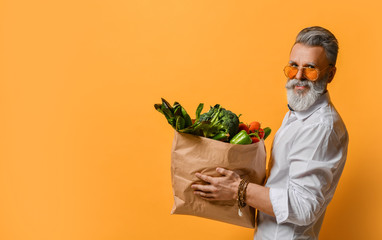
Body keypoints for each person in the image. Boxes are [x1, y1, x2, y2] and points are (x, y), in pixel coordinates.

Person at [191, 26, 349, 239]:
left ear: (330, 74)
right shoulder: (300, 111)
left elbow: (304, 207)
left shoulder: (319, 127)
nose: (298, 77)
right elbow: (283, 179)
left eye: (310, 68)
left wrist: (239, 189)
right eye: (293, 66)